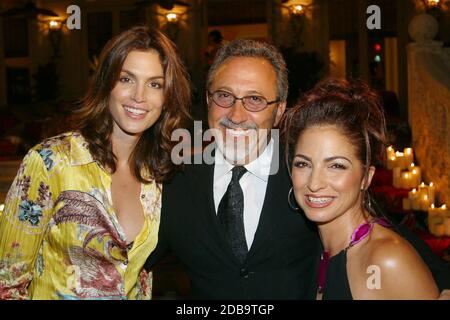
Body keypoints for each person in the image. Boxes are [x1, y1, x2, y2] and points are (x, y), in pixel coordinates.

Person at [146, 39, 450, 299]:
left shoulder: (307, 171)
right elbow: (127, 257)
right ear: (209, 101)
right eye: (224, 96)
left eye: (254, 99)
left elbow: (396, 248)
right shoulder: (177, 180)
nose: (236, 114)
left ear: (279, 110)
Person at [0, 26, 191, 300]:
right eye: (126, 79)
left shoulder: (160, 174)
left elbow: (140, 277)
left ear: (167, 97)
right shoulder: (50, 161)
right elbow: (6, 284)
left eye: (154, 84)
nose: (139, 96)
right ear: (106, 84)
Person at [282, 78, 443, 299]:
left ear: (366, 177)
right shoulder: (313, 250)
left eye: (336, 166)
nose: (314, 183)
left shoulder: (387, 259)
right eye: (303, 164)